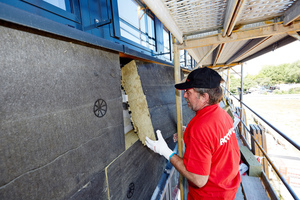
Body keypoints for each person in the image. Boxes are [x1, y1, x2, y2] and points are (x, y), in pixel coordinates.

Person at [146, 67, 241, 200]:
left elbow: (198, 180)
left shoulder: (200, 127)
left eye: (188, 92)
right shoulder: (222, 114)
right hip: (227, 189)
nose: (184, 95)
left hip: (209, 196)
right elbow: (213, 142)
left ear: (204, 97)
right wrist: (191, 135)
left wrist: (166, 152)